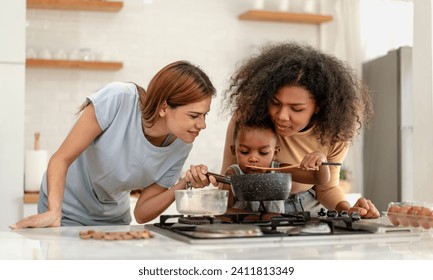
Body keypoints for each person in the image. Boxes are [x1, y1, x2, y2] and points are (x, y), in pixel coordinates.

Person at [10, 60, 216, 228]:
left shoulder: (181, 144)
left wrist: (183, 184)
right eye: (194, 115)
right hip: (64, 210)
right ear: (164, 107)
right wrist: (54, 211)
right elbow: (60, 159)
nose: (202, 124)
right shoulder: (119, 99)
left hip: (112, 218)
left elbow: (142, 213)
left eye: (205, 115)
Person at [220, 41, 379, 218]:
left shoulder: (335, 133)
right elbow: (228, 183)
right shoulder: (248, 120)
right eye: (275, 103)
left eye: (296, 109)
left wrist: (348, 210)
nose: (281, 116)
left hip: (307, 208)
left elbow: (327, 188)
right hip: (254, 210)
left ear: (318, 107)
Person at [225, 117, 331, 214]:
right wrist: (258, 217)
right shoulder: (233, 173)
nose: (253, 158)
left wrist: (322, 161)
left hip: (278, 232)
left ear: (275, 153)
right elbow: (224, 209)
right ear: (234, 150)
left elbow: (319, 179)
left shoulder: (280, 170)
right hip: (244, 231)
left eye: (263, 152)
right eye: (244, 152)